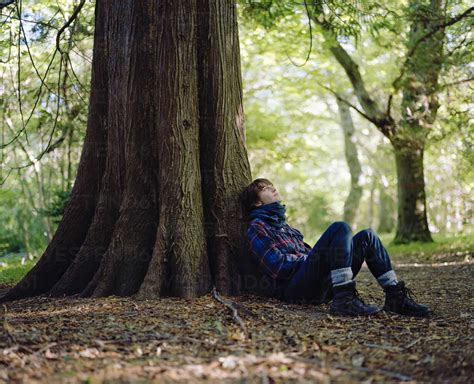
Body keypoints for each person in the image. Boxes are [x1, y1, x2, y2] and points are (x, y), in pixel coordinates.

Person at [242, 178, 431, 317]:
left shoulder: (287, 227)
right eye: (265, 188)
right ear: (257, 202)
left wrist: (318, 258)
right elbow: (278, 267)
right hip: (294, 288)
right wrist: (311, 258)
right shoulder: (257, 227)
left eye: (272, 185)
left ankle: (395, 298)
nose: (273, 188)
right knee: (340, 228)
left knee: (367, 236)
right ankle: (343, 299)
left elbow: (308, 258)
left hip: (318, 283)